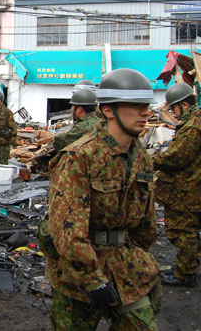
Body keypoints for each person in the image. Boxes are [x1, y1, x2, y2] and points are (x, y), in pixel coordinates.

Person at [46, 68, 160, 330]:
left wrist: (142, 258)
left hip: (124, 266)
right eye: (135, 106)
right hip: (79, 273)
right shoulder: (80, 156)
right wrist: (92, 279)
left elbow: (146, 220)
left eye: (146, 106)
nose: (145, 113)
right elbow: (67, 229)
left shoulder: (140, 156)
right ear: (108, 111)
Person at [153, 82, 201, 287]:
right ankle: (186, 267)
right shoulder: (193, 123)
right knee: (187, 231)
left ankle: (186, 273)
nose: (172, 112)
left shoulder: (193, 126)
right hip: (189, 187)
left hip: (187, 190)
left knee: (183, 231)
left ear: (185, 105)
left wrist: (152, 159)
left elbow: (176, 158)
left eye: (173, 108)